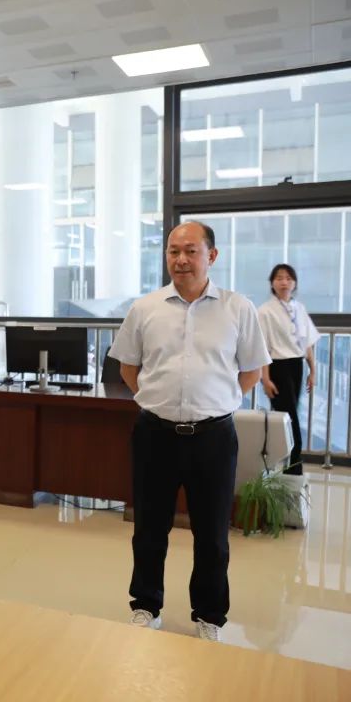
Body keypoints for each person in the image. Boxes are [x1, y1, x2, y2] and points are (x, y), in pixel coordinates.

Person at [109, 221, 269, 643]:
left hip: (213, 437)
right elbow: (128, 366)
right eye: (173, 251)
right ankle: (146, 605)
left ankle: (210, 615)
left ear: (211, 256)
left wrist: (217, 400)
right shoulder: (145, 308)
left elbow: (252, 370)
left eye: (191, 251)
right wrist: (157, 398)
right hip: (155, 434)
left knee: (212, 534)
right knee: (149, 528)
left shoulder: (238, 308)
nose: (181, 259)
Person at [258, 264, 319, 475]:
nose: (284, 282)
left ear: (294, 283)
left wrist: (313, 371)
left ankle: (288, 463)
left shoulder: (298, 308)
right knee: (288, 415)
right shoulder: (265, 311)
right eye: (279, 278)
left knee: (290, 414)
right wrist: (265, 379)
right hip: (278, 366)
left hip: (296, 365)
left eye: (288, 278)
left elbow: (307, 343)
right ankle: (294, 464)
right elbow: (263, 348)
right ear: (272, 283)